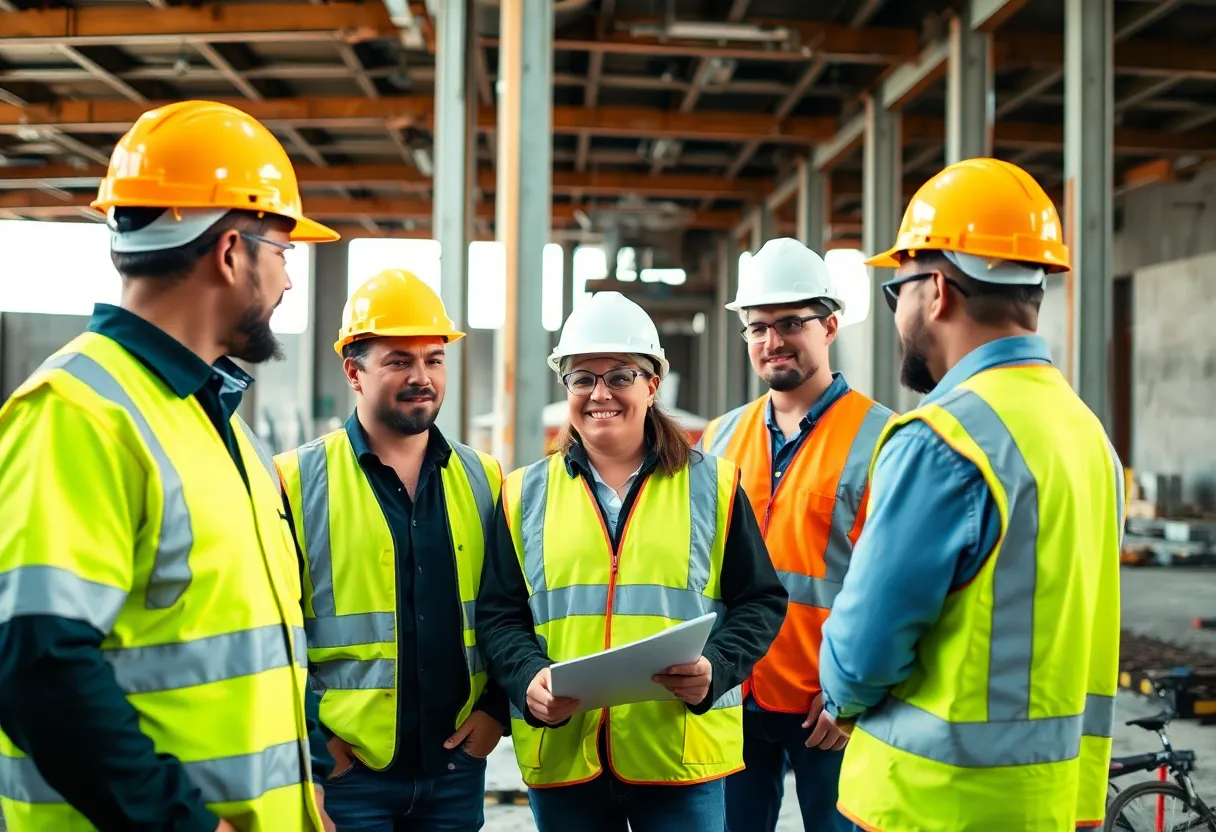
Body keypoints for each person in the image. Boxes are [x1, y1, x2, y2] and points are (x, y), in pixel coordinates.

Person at [0, 100, 340, 831]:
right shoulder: (78, 412)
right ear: (229, 252)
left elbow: (262, 643)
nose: (288, 283)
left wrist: (305, 786)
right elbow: (39, 667)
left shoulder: (222, 431)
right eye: (283, 253)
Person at [817, 157, 1125, 831]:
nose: (901, 317)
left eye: (898, 295)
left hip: (933, 803)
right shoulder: (1088, 437)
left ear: (936, 290)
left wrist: (839, 689)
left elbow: (861, 657)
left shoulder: (942, 439)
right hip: (1051, 804)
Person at [475, 291, 788, 832]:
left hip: (678, 758)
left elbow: (760, 601)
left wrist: (715, 668)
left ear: (652, 384)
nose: (600, 393)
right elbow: (500, 615)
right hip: (566, 755)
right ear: (566, 388)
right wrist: (526, 678)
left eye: (620, 376)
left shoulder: (713, 485)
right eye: (582, 378)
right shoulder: (522, 493)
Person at [275, 269, 510, 831]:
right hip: (347, 773)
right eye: (398, 360)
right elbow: (274, 629)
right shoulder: (295, 480)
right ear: (354, 372)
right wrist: (315, 742)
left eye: (433, 359)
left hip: (456, 768)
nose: (421, 376)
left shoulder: (485, 479)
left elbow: (509, 609)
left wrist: (496, 711)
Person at [699, 238, 894, 832]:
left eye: (790, 323)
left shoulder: (885, 437)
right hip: (736, 692)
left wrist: (850, 697)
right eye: (757, 327)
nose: (772, 340)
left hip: (828, 708)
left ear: (830, 325)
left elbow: (891, 586)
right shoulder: (719, 438)